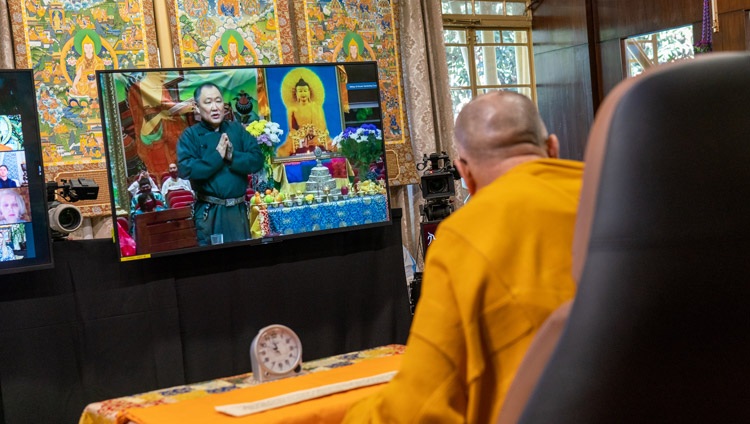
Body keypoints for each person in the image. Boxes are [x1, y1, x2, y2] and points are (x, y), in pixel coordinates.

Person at [342, 91, 584, 423]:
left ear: (464, 173)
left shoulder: (461, 238)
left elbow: (420, 407)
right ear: (552, 149)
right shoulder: (620, 197)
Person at [177, 82, 264, 245]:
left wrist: (232, 156)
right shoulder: (190, 135)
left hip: (239, 212)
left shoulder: (237, 130)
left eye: (218, 101)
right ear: (196, 107)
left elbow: (257, 160)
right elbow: (186, 169)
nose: (215, 107)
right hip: (210, 213)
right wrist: (217, 156)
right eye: (208, 102)